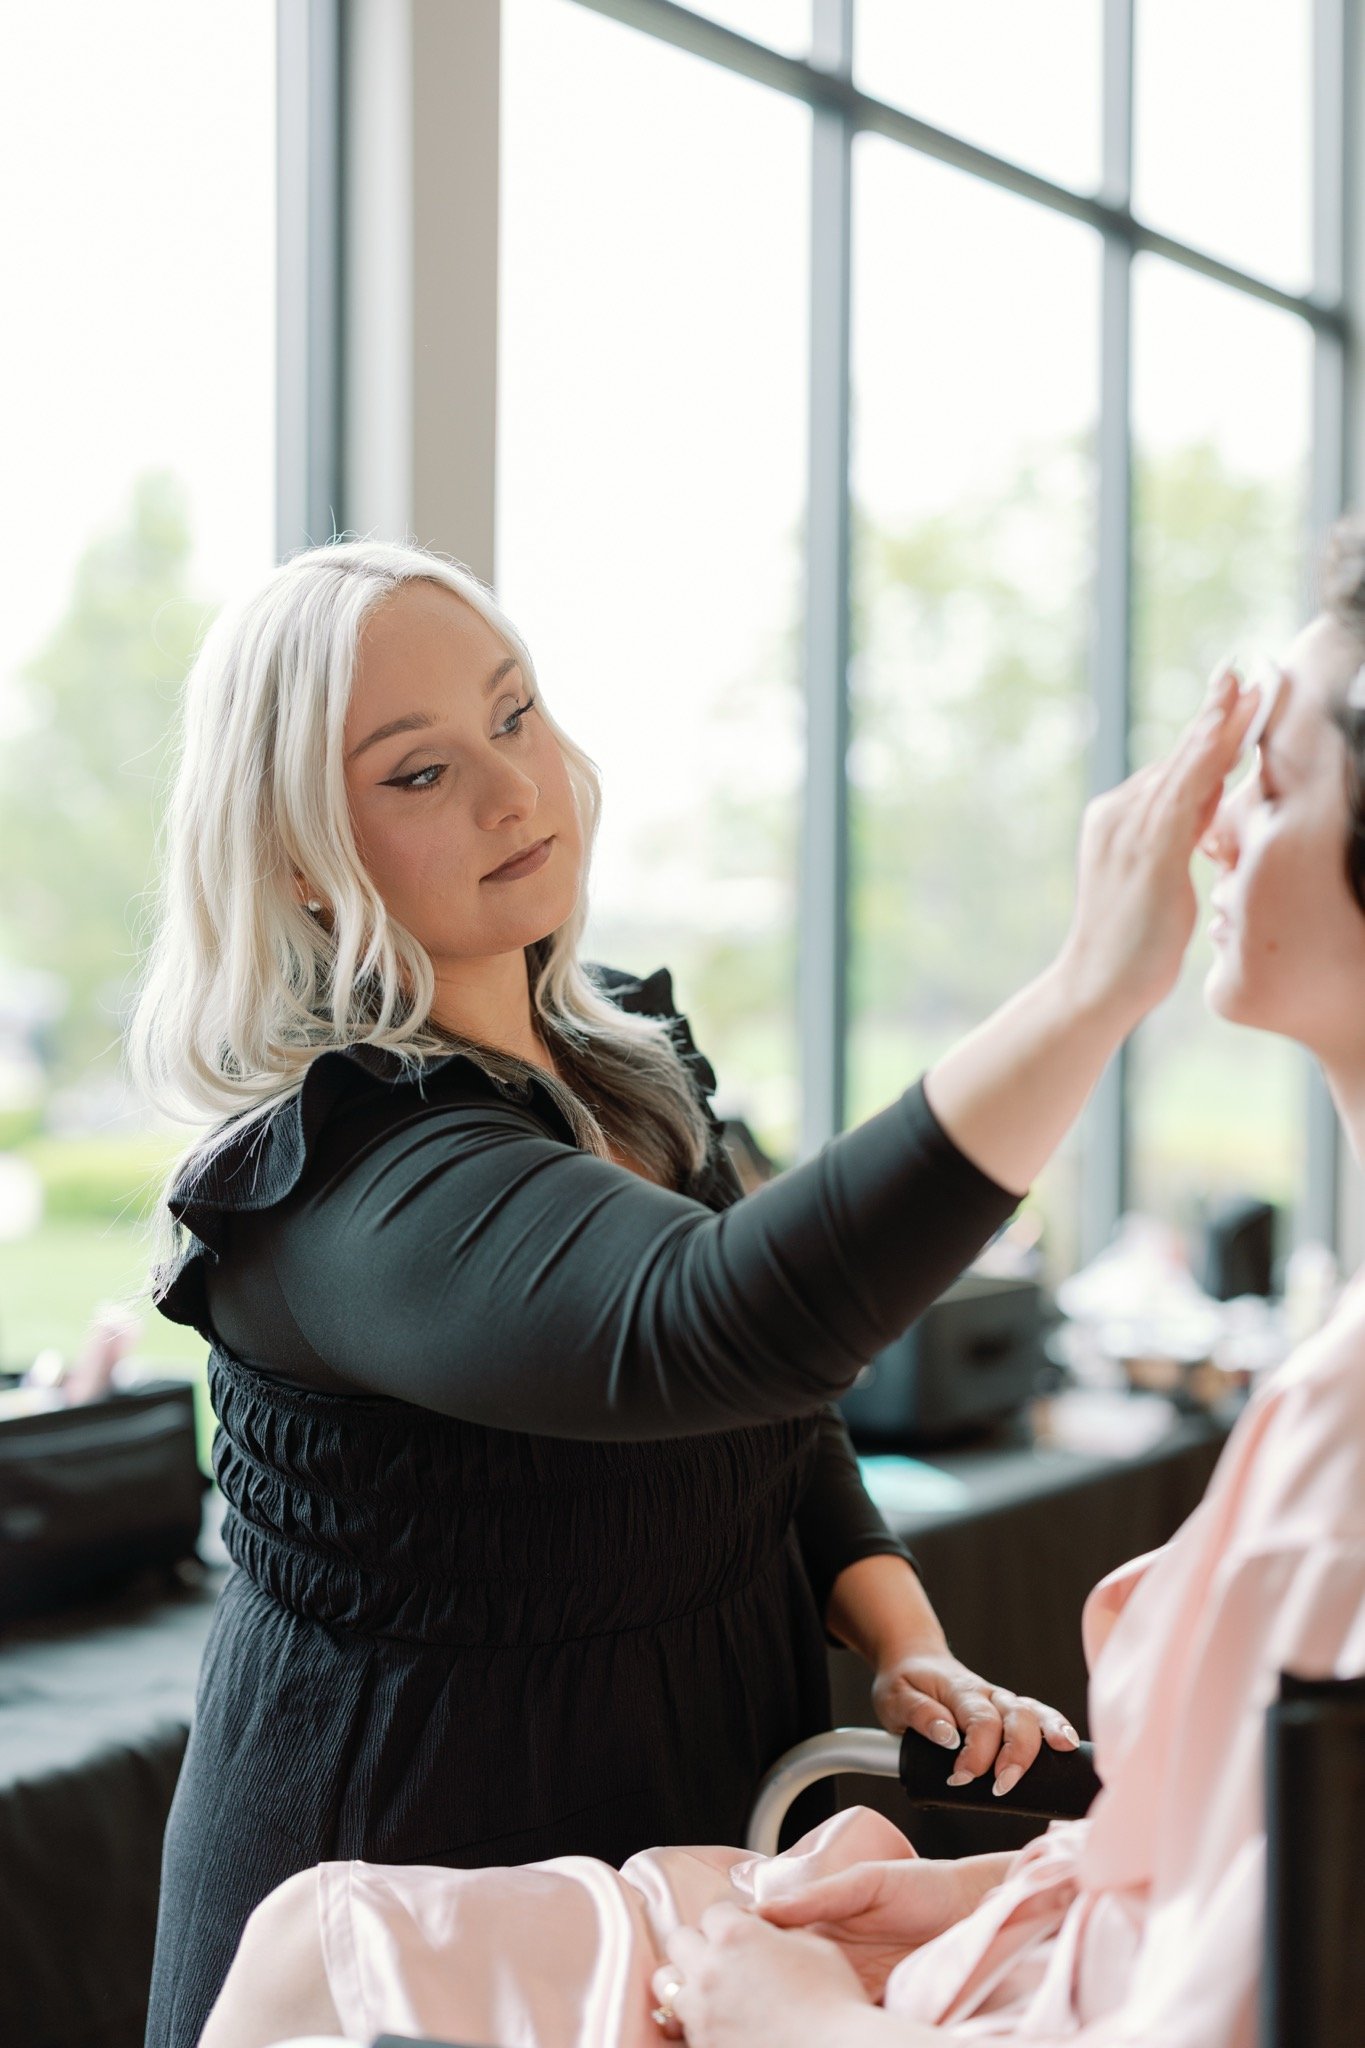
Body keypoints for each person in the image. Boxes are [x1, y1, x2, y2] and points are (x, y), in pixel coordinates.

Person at [192, 518, 1365, 2048]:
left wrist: (903, 1636)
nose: (512, 787)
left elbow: (781, 1404)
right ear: (296, 851)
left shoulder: (626, 1062)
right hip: (434, 1823)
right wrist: (1087, 989)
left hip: (693, 1797)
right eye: (420, 771)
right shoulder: (349, 1180)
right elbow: (716, 1325)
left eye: (514, 712)